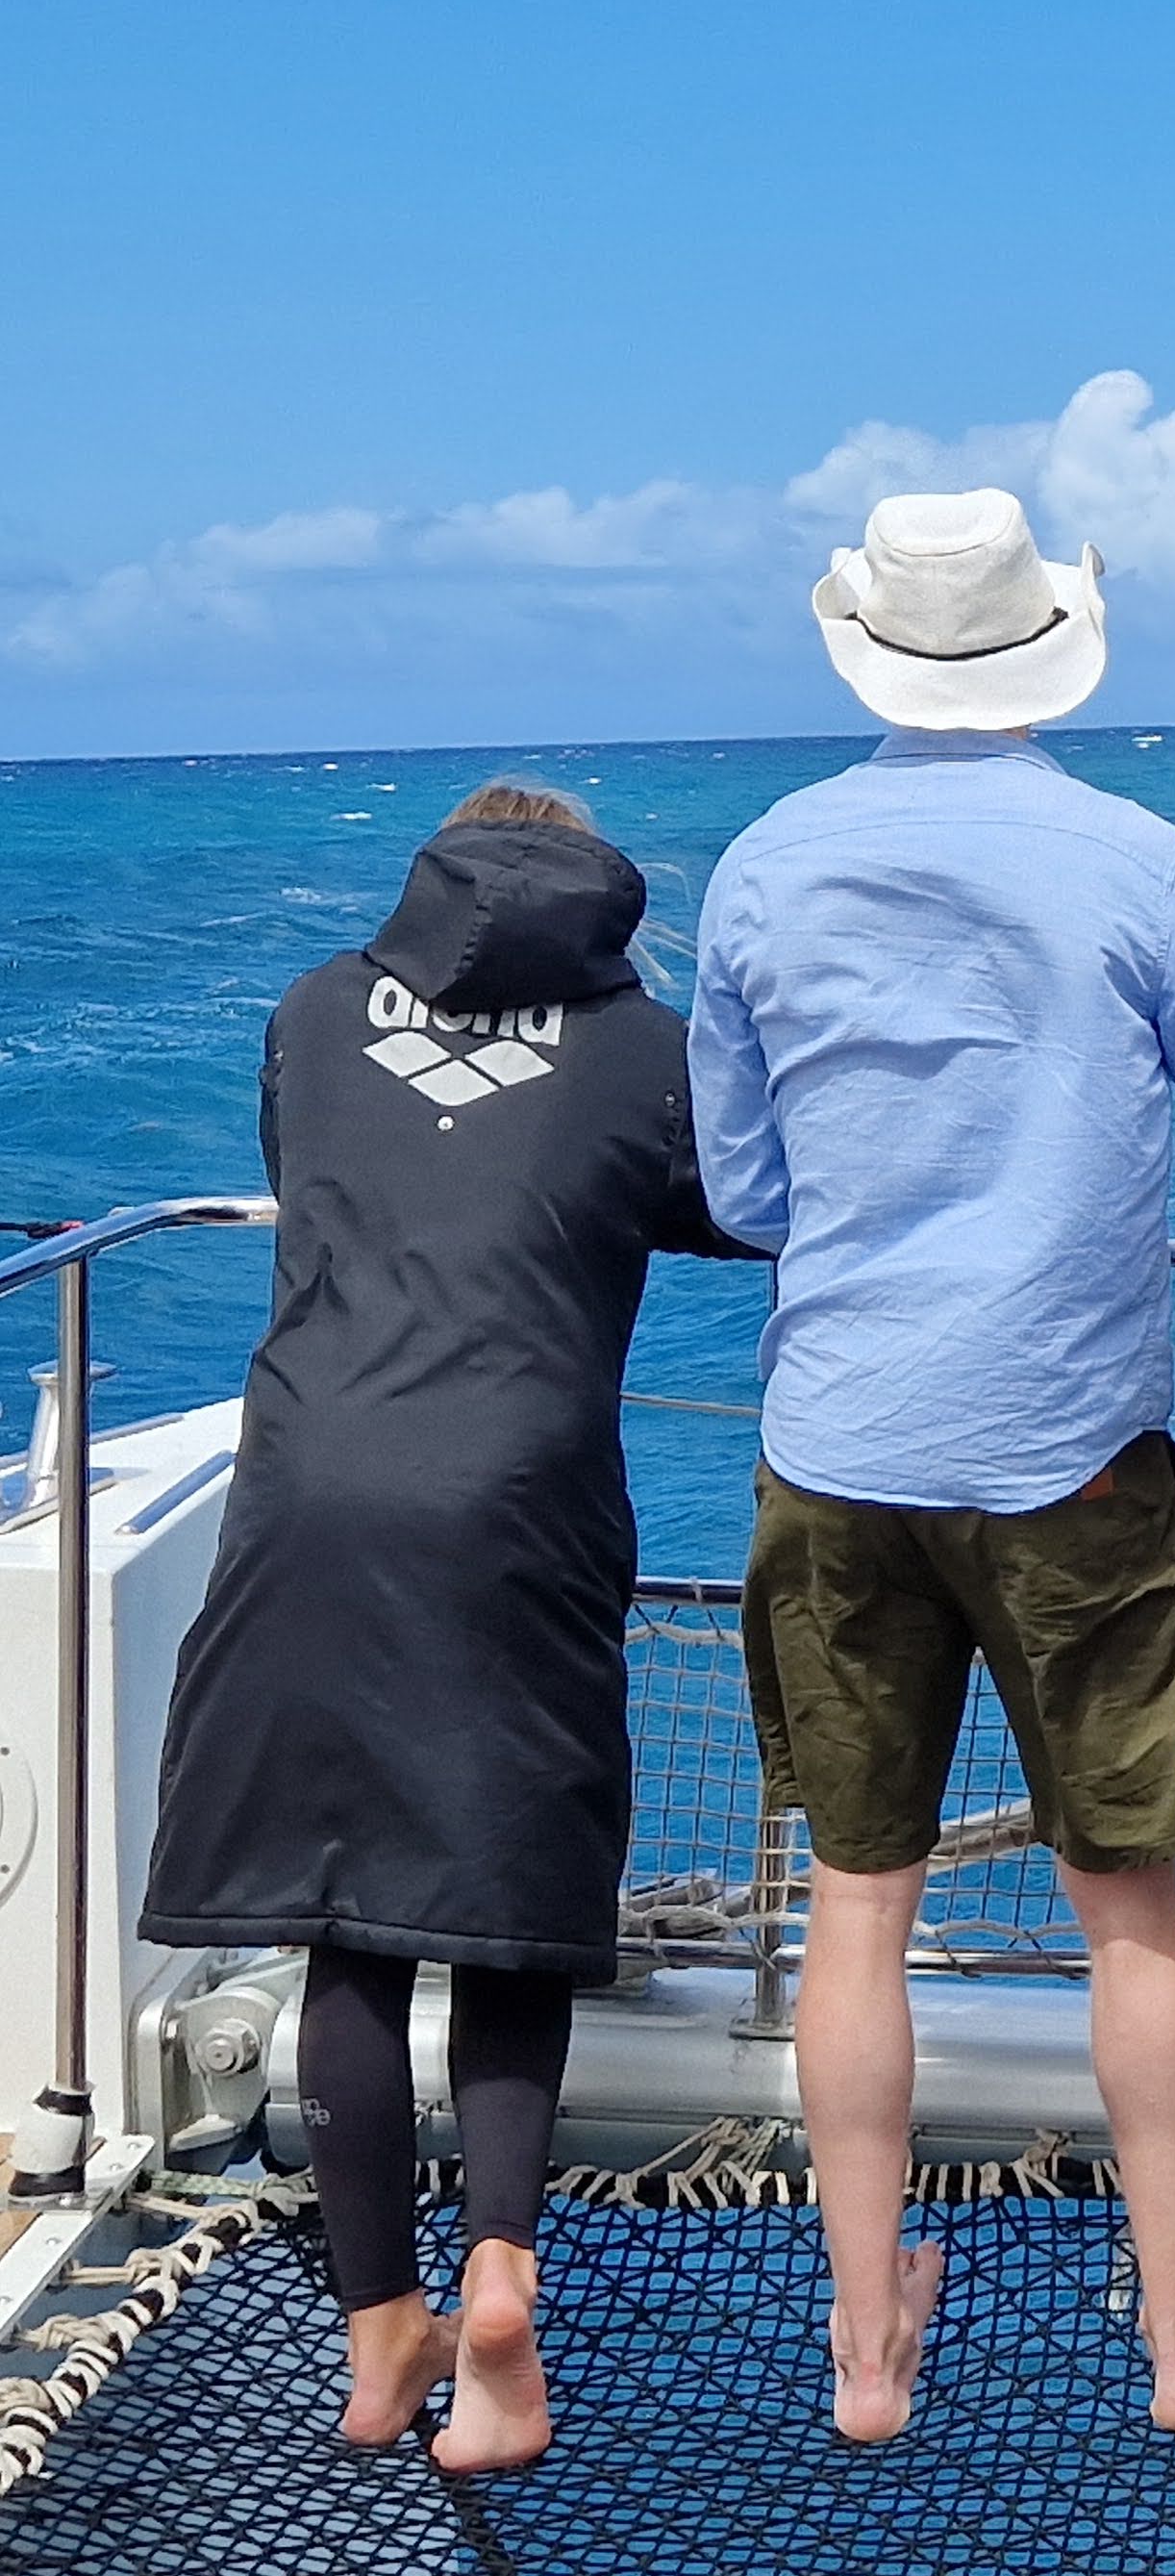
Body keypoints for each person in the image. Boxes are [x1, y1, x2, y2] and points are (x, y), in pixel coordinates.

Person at [689, 490, 1175, 2439]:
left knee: (854, 1904)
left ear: (869, 649)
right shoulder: (1153, 870)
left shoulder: (765, 867)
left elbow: (743, 1190)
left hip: (836, 1439)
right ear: (1050, 648)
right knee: (1130, 1904)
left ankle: (867, 2349)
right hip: (1071, 1449)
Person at [142, 783, 748, 2471]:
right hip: (518, 1497)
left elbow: (309, 1170)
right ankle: (497, 2274)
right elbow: (736, 1202)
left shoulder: (315, 1009)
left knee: (345, 1916)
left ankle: (376, 2331)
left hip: (312, 1482)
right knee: (511, 1917)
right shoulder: (650, 1053)